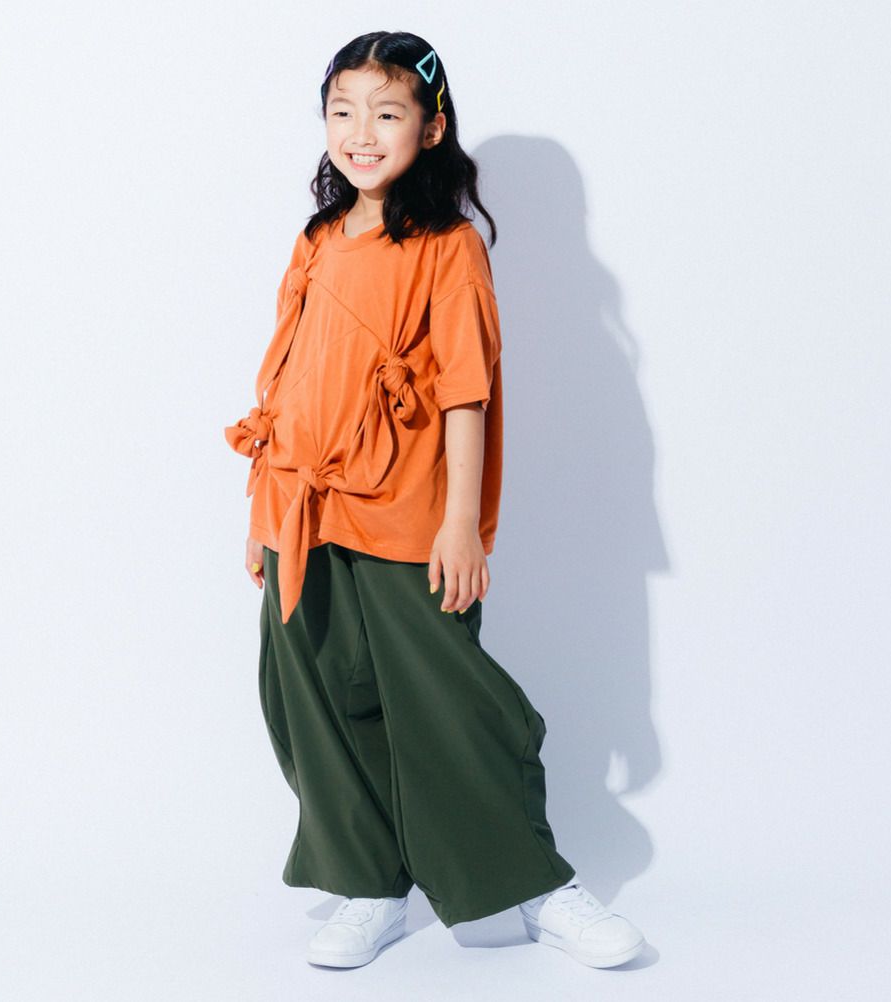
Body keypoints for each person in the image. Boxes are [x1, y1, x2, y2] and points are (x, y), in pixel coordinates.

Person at [224, 30, 647, 971]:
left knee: (450, 702)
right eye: (342, 111)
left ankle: (537, 885)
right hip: (300, 505)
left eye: (387, 113)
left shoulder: (448, 248)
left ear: (431, 126)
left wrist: (460, 522)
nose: (361, 133)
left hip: (403, 506)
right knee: (314, 699)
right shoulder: (317, 240)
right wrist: (262, 512)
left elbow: (465, 391)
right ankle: (369, 885)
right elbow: (287, 377)